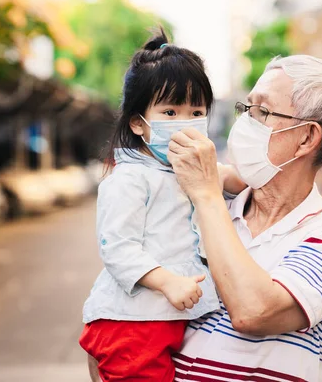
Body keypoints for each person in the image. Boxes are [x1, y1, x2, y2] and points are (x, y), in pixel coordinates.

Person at [165, 55, 322, 381]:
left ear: (306, 138)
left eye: (262, 112)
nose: (245, 122)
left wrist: (206, 195)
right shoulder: (213, 203)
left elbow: (254, 311)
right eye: (246, 108)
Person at [79, 30, 246, 382]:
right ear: (139, 124)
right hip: (131, 323)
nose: (184, 122)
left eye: (195, 111)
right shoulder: (129, 178)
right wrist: (168, 281)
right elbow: (118, 248)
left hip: (161, 321)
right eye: (169, 112)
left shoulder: (188, 167)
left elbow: (231, 178)